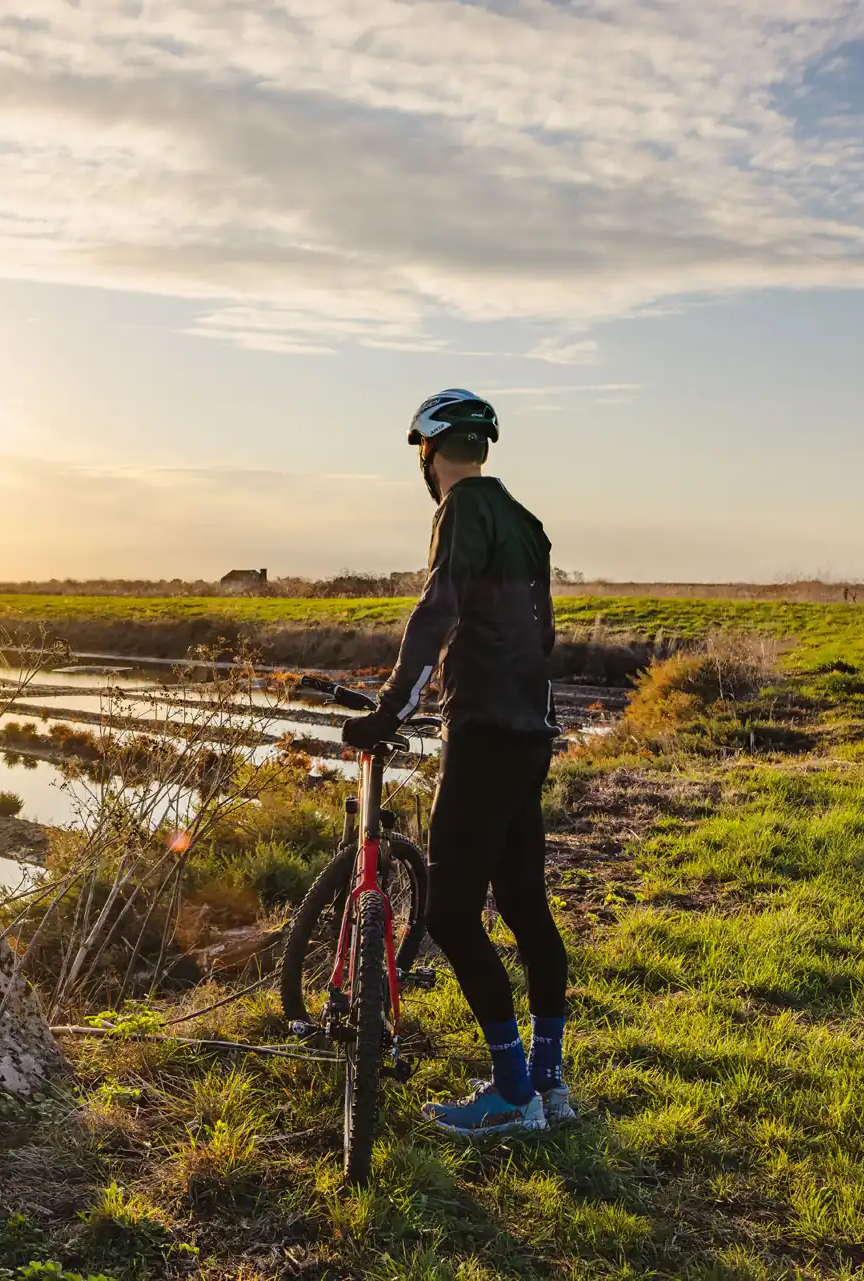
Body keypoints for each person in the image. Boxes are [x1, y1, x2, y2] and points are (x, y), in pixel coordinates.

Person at [338, 388, 571, 1137]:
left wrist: (391, 707)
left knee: (447, 911)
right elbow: (543, 636)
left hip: (484, 736)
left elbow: (437, 608)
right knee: (527, 908)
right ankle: (547, 1082)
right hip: (530, 735)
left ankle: (510, 1093)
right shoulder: (527, 522)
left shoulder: (462, 509)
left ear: (429, 453)